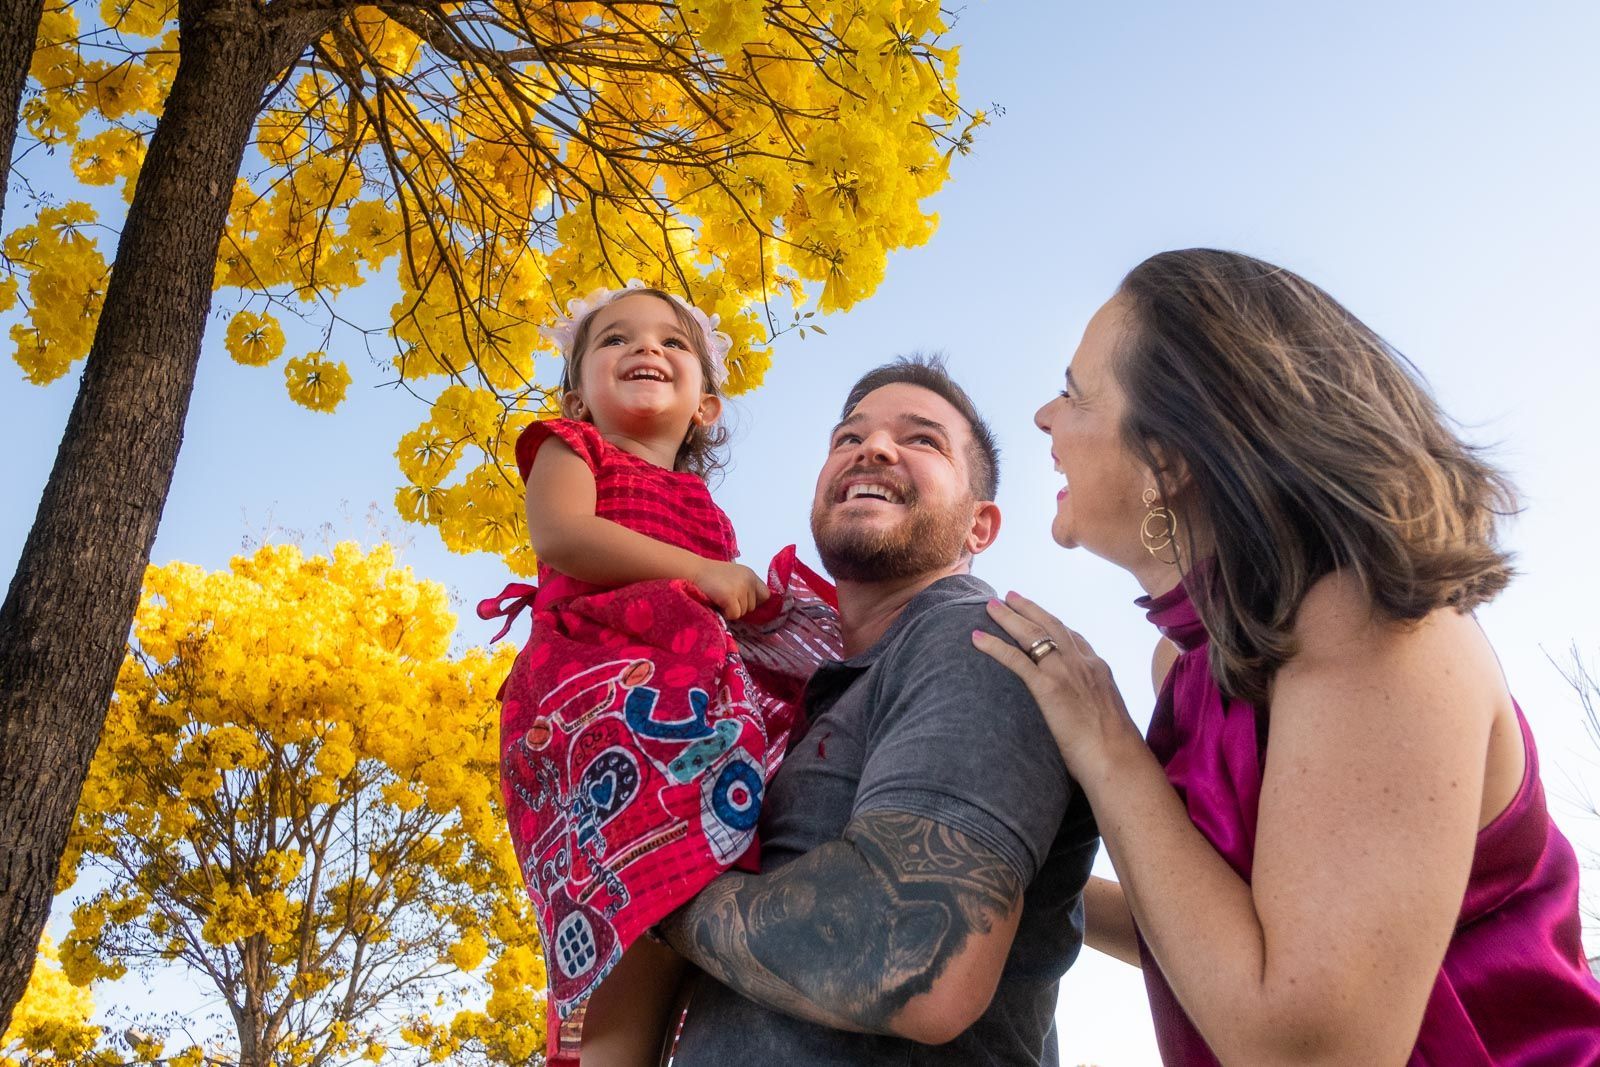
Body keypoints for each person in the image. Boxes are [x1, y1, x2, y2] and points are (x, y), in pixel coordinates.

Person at [975, 249, 1600, 1064]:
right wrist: (1010, 888)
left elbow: (1309, 1048)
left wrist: (1106, 742)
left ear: (1168, 459)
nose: (1043, 417)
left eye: (1075, 390)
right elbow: (1224, 934)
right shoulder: (1189, 668)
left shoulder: (1371, 624)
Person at [658, 356, 1100, 1066]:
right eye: (848, 437)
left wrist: (656, 893)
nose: (874, 448)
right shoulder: (829, 693)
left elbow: (909, 952)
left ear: (979, 527)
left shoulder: (975, 639)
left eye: (922, 439)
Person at [480, 282, 841, 1067]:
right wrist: (705, 572)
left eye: (674, 343)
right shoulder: (571, 449)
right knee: (621, 935)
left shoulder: (704, 509)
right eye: (615, 339)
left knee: (675, 952)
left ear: (706, 405)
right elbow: (565, 536)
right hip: (594, 700)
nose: (645, 348)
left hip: (679, 733)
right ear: (578, 399)